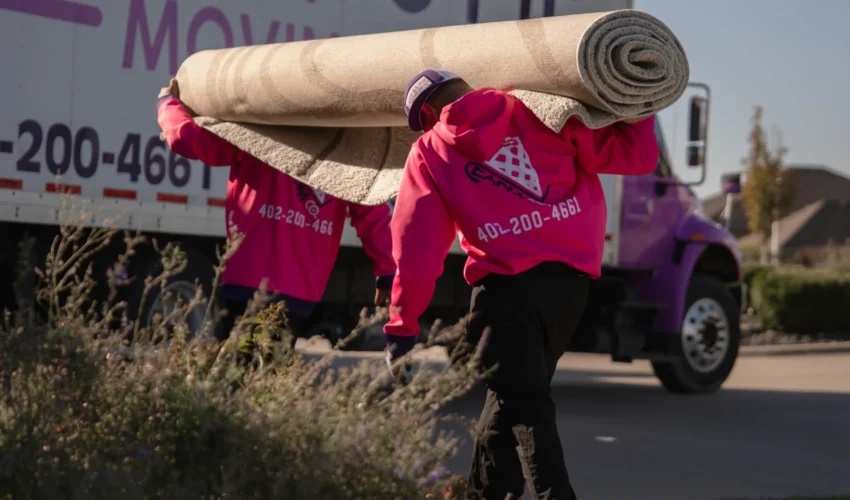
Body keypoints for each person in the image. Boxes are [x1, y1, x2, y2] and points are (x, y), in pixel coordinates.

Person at [384, 69, 659, 499]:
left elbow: (415, 247)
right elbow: (634, 156)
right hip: (569, 289)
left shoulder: (430, 150)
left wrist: (403, 324)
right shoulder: (538, 110)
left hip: (504, 296)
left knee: (525, 406)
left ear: (431, 112)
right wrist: (641, 94)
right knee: (509, 399)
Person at [156, 79, 395, 348]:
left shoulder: (257, 138)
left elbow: (186, 138)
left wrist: (167, 104)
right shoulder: (344, 154)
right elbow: (373, 216)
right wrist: (387, 272)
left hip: (247, 284)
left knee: (244, 370)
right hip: (300, 293)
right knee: (265, 368)